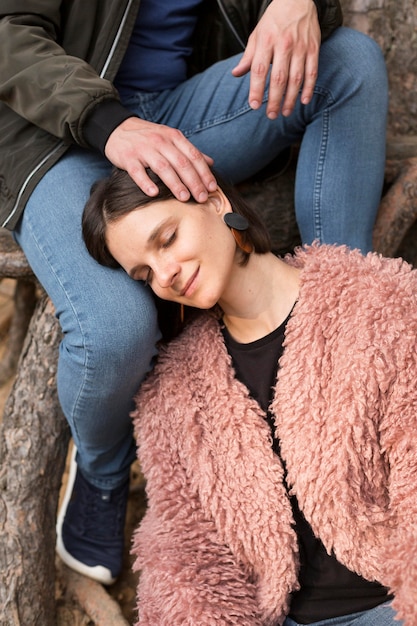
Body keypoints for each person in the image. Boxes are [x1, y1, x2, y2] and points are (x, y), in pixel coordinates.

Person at [0, 0, 388, 584]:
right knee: (114, 328)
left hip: (176, 114)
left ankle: (338, 345)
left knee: (347, 63)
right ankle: (104, 471)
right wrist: (111, 126)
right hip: (51, 136)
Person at [82, 166, 417, 626]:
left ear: (215, 201)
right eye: (144, 274)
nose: (165, 275)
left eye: (167, 239)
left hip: (391, 606)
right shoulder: (174, 389)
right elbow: (184, 550)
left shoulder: (381, 306)